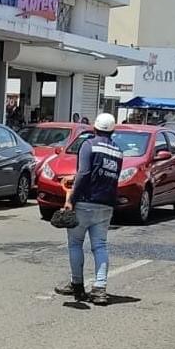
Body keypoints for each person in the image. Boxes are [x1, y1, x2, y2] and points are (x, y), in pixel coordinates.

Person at [55, 112, 121, 306]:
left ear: (94, 128)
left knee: (75, 243)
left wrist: (72, 198)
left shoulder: (89, 145)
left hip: (85, 201)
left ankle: (77, 285)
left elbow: (83, 173)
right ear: (113, 130)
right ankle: (100, 288)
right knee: (100, 245)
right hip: (106, 203)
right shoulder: (118, 151)